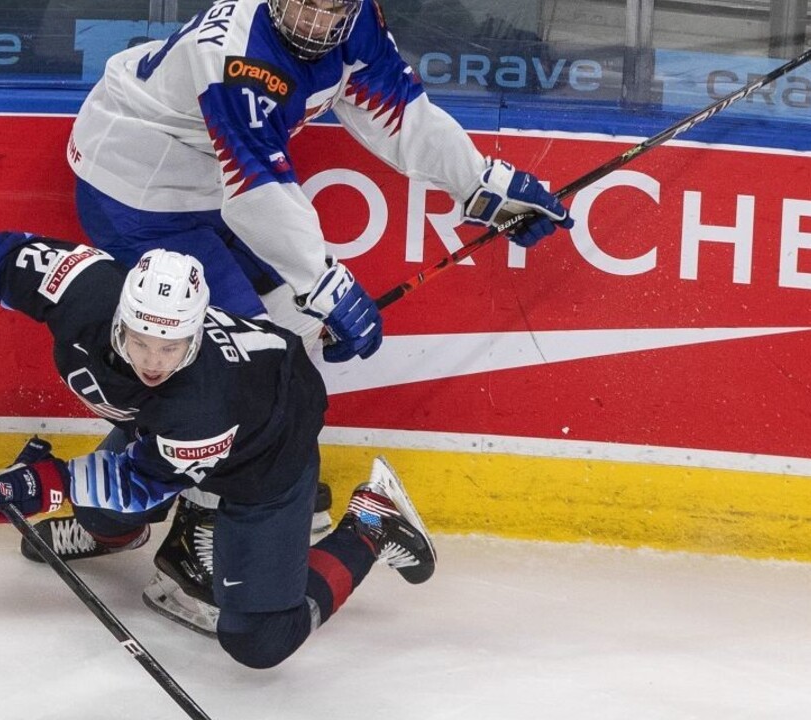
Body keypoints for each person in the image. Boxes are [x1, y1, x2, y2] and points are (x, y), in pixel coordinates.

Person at [64, 0, 574, 628]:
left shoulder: (356, 22)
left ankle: (203, 496)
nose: (312, 17)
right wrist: (325, 284)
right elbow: (257, 190)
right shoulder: (241, 56)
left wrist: (480, 183)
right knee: (234, 363)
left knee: (289, 341)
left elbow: (398, 110)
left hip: (208, 187)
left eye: (329, 2)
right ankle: (186, 531)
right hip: (139, 189)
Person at [0, 232, 437, 667]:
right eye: (141, 341)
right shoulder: (87, 288)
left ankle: (371, 524)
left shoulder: (199, 402)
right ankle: (115, 537)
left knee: (259, 640)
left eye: (172, 346)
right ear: (120, 316)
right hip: (166, 435)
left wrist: (41, 485)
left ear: (195, 331)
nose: (154, 360)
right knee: (102, 511)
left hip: (268, 441)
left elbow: (140, 479)